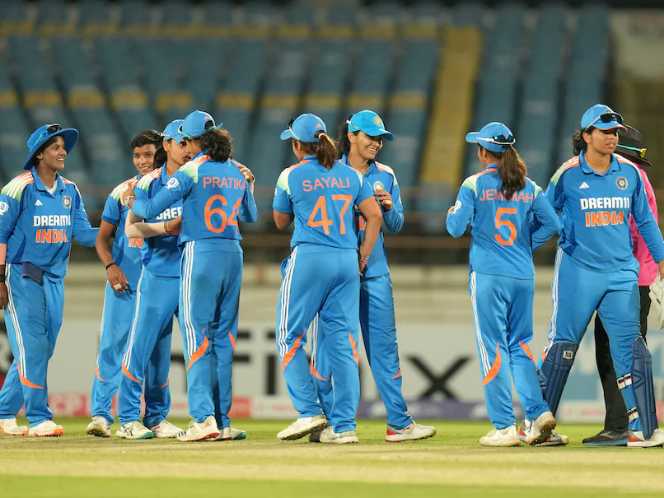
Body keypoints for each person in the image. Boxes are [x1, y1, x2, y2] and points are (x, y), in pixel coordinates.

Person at [538, 104, 664, 447]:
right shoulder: (567, 174)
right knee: (563, 346)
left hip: (621, 274)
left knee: (632, 348)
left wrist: (661, 261)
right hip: (578, 273)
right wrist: (526, 249)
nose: (611, 137)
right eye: (605, 131)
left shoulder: (630, 173)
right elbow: (544, 215)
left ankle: (643, 430)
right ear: (587, 135)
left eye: (615, 133)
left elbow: (646, 221)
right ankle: (538, 423)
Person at [127, 109, 257, 442]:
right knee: (223, 340)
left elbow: (149, 209)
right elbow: (250, 214)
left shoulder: (192, 170)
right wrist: (249, 184)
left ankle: (202, 419)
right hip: (233, 253)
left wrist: (135, 200)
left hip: (200, 254)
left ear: (192, 140)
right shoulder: (235, 170)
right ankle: (223, 421)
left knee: (196, 334)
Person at [310, 110, 435, 442]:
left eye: (380, 139)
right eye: (370, 137)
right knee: (329, 350)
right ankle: (328, 421)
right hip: (339, 272)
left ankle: (399, 423)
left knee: (384, 350)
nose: (377, 144)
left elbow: (395, 225)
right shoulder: (328, 170)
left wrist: (389, 207)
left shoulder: (386, 175)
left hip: (375, 272)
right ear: (351, 135)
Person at [445, 122, 560, 446]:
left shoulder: (474, 184)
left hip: (488, 274)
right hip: (522, 274)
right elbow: (554, 224)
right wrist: (525, 244)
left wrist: (452, 212)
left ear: (484, 152)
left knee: (492, 348)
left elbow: (455, 228)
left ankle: (504, 426)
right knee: (520, 346)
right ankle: (538, 412)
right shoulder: (529, 186)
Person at [273, 113, 382, 444]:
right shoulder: (351, 175)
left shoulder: (290, 175)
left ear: (297, 145)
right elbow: (375, 216)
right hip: (347, 260)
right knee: (344, 345)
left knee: (289, 336)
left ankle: (309, 411)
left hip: (309, 257)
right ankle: (345, 426)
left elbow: (280, 221)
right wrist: (363, 256)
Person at [0, 124, 97, 437]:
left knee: (42, 349)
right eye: (55, 146)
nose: (63, 151)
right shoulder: (18, 188)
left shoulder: (70, 191)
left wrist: (117, 229)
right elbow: (0, 234)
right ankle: (39, 417)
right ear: (39, 154)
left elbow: (83, 233)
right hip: (21, 275)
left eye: (63, 146)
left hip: (55, 278)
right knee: (33, 348)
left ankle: (3, 412)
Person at [582, 125, 660, 446]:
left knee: (613, 353)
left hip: (624, 279)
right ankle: (640, 425)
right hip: (638, 278)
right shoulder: (639, 178)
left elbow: (624, 232)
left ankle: (621, 426)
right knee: (630, 352)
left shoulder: (625, 180)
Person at [114, 120, 191, 440]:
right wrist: (166, 228)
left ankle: (158, 417)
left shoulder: (196, 180)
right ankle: (128, 418)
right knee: (141, 346)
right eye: (182, 143)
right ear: (167, 146)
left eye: (191, 143)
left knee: (165, 355)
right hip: (158, 275)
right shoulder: (148, 183)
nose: (188, 149)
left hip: (191, 274)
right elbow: (131, 229)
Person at [86, 129, 163, 438]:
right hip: (125, 284)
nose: (142, 161)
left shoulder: (173, 189)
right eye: (137, 155)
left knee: (155, 353)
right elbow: (101, 238)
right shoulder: (121, 192)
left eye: (148, 154)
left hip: (158, 285)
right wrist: (111, 265)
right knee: (112, 346)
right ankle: (101, 415)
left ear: (161, 154)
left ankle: (155, 417)